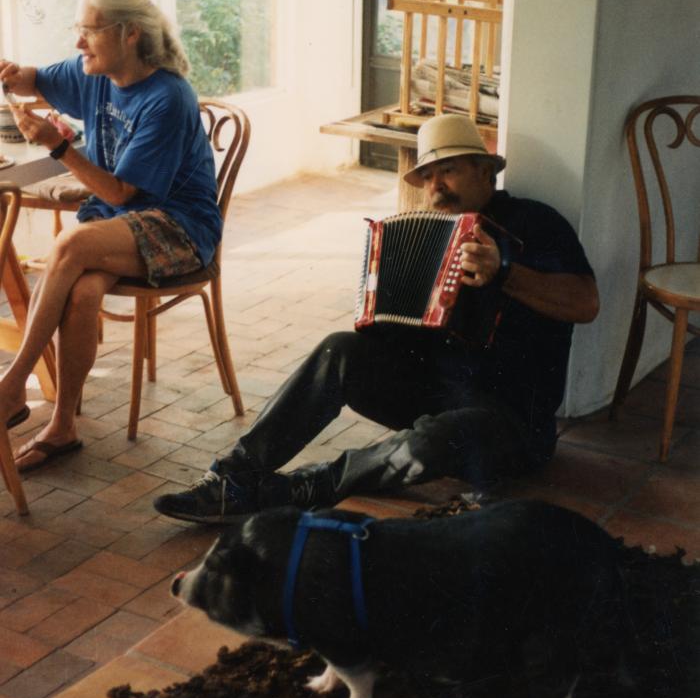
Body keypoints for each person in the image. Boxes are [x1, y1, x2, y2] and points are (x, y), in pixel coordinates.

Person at [154, 113, 599, 524]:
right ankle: (233, 477)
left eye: (448, 170)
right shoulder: (432, 232)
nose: (435, 186)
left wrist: (504, 273)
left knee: (432, 441)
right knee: (339, 351)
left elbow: (586, 304)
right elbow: (412, 342)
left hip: (513, 423)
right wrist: (378, 321)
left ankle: (302, 488)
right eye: (427, 176)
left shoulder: (535, 224)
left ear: (485, 170)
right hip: (439, 397)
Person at [0, 0, 221, 472]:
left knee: (73, 242)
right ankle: (62, 427)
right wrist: (13, 75)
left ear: (130, 34)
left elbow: (122, 192)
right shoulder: (92, 71)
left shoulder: (167, 97)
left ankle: (11, 387)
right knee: (80, 293)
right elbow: (33, 79)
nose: (78, 42)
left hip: (178, 226)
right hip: (118, 222)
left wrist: (58, 147)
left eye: (90, 30)